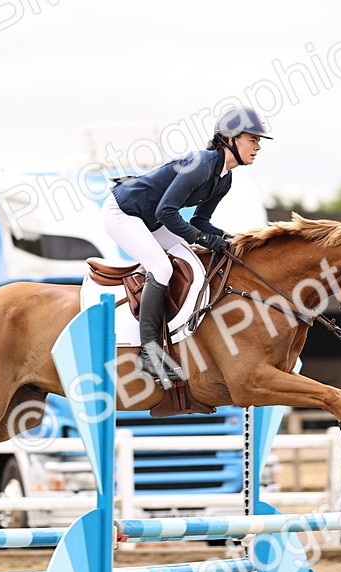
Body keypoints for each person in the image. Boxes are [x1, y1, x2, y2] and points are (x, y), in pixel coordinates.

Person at [101, 106, 272, 388]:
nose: (257, 147)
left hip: (151, 218)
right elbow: (167, 212)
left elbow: (200, 220)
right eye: (252, 140)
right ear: (230, 139)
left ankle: (175, 337)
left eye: (258, 142)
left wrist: (230, 240)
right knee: (161, 267)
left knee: (194, 265)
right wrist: (203, 239)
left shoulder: (224, 178)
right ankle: (149, 352)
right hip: (124, 213)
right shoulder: (201, 165)